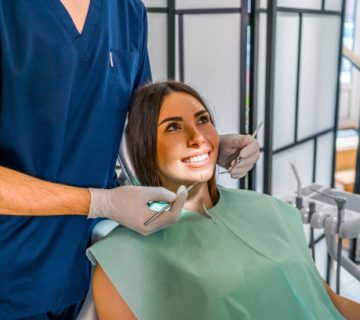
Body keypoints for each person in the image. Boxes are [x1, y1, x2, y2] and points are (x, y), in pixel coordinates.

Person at [0, 1, 259, 319]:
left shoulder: (126, 10)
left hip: (92, 260)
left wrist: (205, 149)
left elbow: (140, 125)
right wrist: (100, 202)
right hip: (11, 274)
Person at [88, 81, 360, 320]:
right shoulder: (121, 262)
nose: (198, 138)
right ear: (143, 147)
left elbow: (332, 303)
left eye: (203, 120)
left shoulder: (269, 209)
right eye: (173, 127)